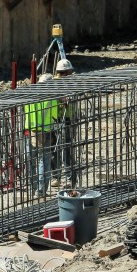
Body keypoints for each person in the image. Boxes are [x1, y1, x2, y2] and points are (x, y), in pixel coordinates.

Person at [24, 73, 59, 196]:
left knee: (31, 161)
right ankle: (41, 191)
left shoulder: (30, 95)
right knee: (44, 161)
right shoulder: (51, 97)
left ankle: (31, 189)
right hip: (46, 133)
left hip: (30, 132)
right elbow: (55, 115)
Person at [52, 59, 76, 188]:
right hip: (57, 118)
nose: (71, 74)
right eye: (69, 72)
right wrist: (61, 99)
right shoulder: (54, 83)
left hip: (68, 118)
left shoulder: (72, 82)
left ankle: (69, 178)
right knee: (56, 149)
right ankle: (57, 177)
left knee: (67, 148)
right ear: (65, 72)